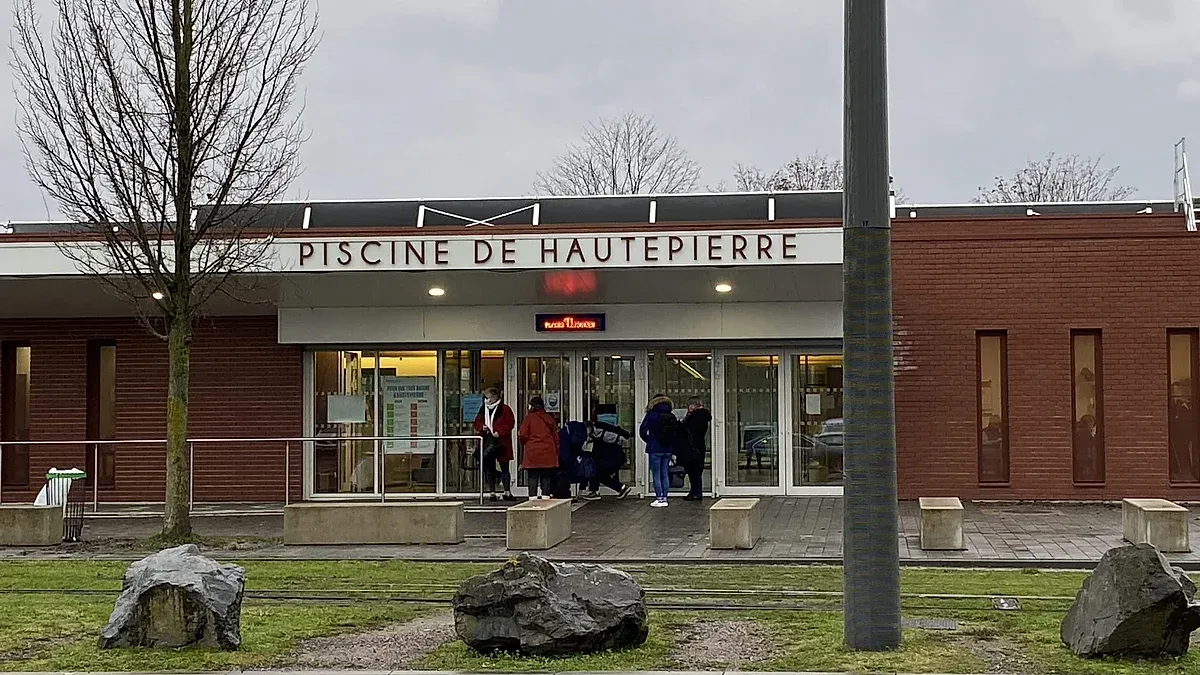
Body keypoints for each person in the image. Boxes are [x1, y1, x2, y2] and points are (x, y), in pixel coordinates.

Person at [472, 387, 515, 502]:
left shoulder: (505, 409)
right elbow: (477, 421)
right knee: (489, 468)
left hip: (501, 442)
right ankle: (492, 492)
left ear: (495, 397)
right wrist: (482, 427)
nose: (486, 400)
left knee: (505, 467)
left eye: (488, 397)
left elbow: (510, 423)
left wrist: (499, 432)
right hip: (487, 442)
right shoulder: (483, 409)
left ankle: (507, 491)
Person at [583, 403, 633, 500]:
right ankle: (620, 488)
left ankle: (594, 492)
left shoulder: (600, 432)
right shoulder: (603, 431)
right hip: (615, 457)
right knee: (598, 472)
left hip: (612, 457)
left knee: (596, 470)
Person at [640, 393, 680, 508]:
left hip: (655, 448)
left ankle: (659, 498)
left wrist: (649, 440)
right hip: (667, 448)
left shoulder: (651, 415)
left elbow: (642, 431)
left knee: (656, 474)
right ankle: (665, 498)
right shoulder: (670, 415)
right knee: (664, 474)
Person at [518, 396, 560, 499]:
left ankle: (532, 499)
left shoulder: (529, 418)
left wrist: (524, 442)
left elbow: (523, 435)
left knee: (533, 476)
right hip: (548, 451)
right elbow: (556, 437)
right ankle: (546, 498)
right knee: (546, 476)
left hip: (533, 451)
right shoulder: (549, 418)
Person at [681, 396, 712, 501]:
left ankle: (696, 492)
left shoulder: (695, 416)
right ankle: (695, 491)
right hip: (699, 445)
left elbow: (687, 429)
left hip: (692, 446)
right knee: (696, 470)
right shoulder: (703, 416)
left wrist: (688, 416)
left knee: (693, 470)